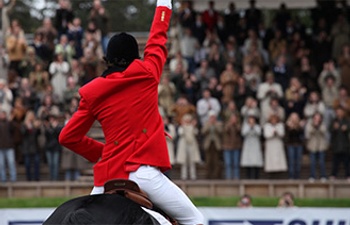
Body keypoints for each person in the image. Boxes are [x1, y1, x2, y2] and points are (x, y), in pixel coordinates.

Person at [59, 1, 204, 224]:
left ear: (107, 59)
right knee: (196, 220)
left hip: (106, 178)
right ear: (135, 57)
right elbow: (158, 36)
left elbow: (67, 137)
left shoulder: (92, 93)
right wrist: (164, 4)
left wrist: (104, 151)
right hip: (143, 174)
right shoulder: (147, 74)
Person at [0, 110, 17, 182]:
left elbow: (15, 129)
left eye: (3, 114)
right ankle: (3, 179)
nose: (2, 116)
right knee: (1, 164)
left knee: (11, 163)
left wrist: (11, 121)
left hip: (9, 147)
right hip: (0, 147)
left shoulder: (9, 123)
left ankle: (13, 178)